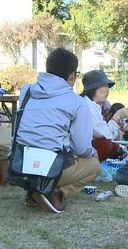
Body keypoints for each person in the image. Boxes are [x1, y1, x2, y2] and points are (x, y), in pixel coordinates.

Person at [16, 48, 101, 213]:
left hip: (19, 164)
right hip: (48, 166)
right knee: (94, 164)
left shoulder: (26, 91)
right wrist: (92, 152)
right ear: (72, 76)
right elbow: (82, 148)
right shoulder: (77, 102)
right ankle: (53, 193)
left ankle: (33, 191)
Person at [81, 70, 128, 161]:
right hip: (83, 154)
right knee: (106, 144)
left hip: (84, 150)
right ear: (93, 89)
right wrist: (117, 116)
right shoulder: (88, 107)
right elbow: (107, 136)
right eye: (104, 86)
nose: (107, 90)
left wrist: (122, 123)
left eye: (108, 87)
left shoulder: (91, 105)